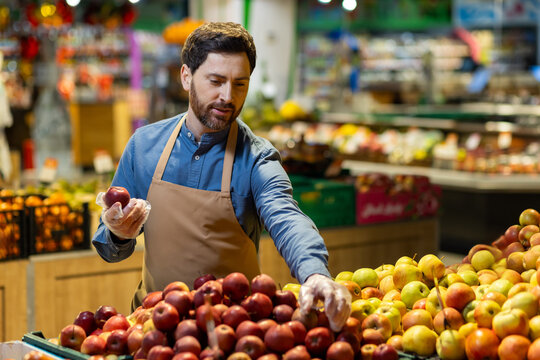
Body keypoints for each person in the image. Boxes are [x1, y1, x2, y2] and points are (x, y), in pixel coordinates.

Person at [92, 22, 351, 332]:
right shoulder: (144, 146)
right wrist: (119, 232)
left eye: (240, 84)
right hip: (153, 328)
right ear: (186, 76)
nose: (227, 96)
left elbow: (286, 216)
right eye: (215, 81)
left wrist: (315, 273)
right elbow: (108, 249)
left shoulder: (257, 157)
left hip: (236, 333)